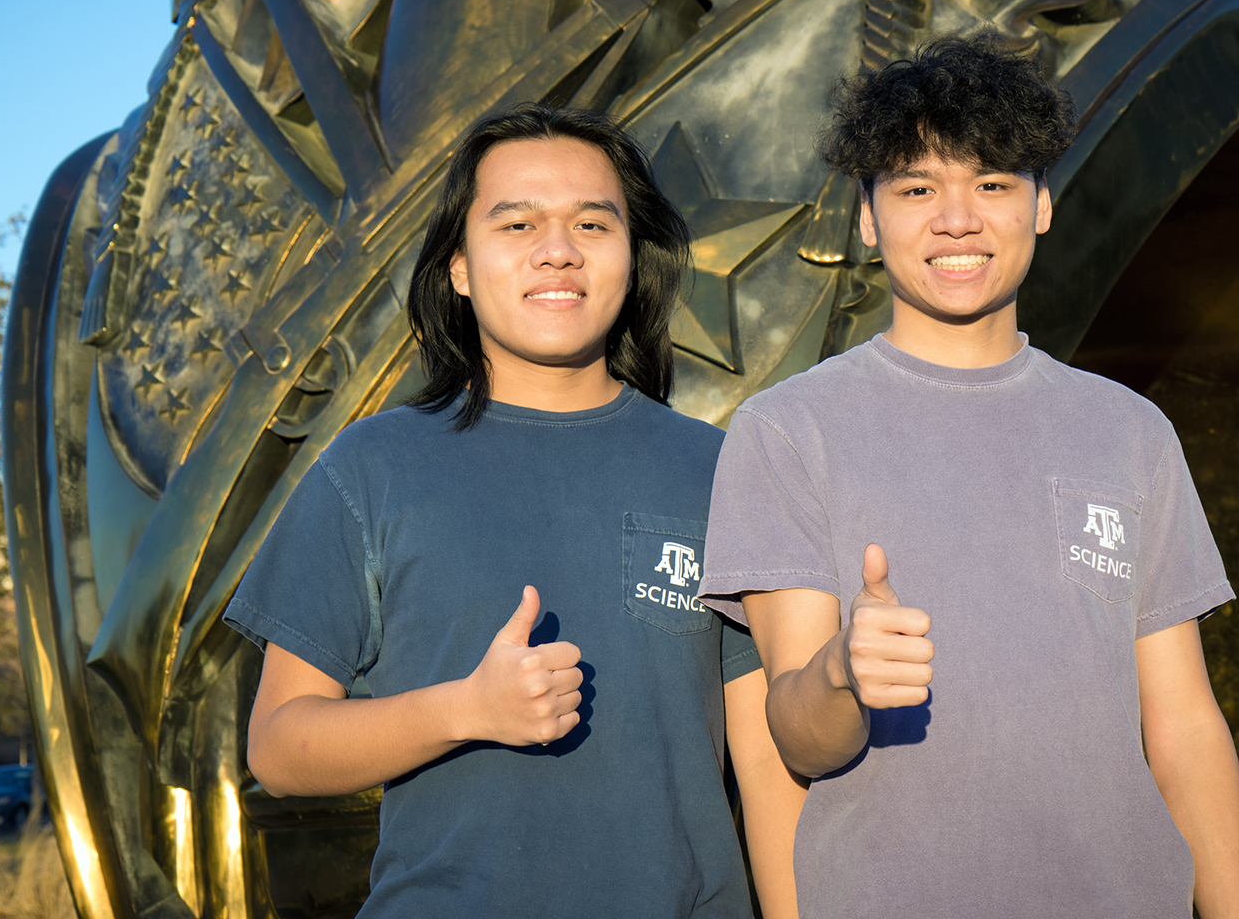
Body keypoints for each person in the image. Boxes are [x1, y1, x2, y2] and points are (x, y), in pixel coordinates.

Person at [696, 33, 1239, 918]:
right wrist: (841, 667)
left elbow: (1185, 725)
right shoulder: (786, 431)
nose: (957, 219)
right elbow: (793, 739)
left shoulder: (1131, 431)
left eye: (992, 184)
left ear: (1041, 205)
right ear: (869, 219)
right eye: (918, 188)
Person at [225, 104, 805, 918]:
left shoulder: (718, 471)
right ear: (458, 265)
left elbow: (767, 758)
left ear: (633, 257)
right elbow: (279, 748)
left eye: (592, 224)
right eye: (518, 223)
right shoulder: (369, 470)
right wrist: (465, 709)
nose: (557, 250)